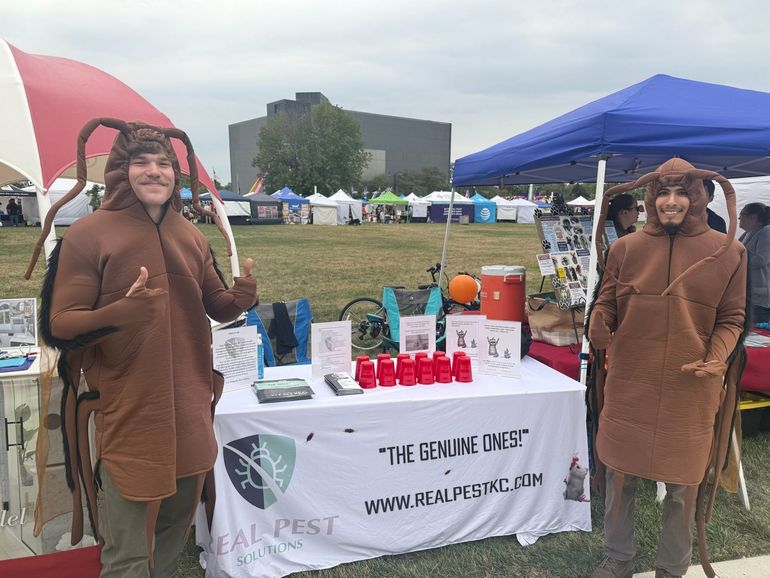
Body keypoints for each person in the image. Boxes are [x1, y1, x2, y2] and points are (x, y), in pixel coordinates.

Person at [38, 120, 257, 577]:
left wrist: (241, 298)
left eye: (163, 163)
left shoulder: (190, 235)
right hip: (131, 409)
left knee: (174, 530)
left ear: (176, 174)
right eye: (141, 162)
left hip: (192, 405)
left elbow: (216, 305)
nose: (154, 171)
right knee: (127, 547)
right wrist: (118, 313)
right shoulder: (89, 234)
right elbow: (59, 324)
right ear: (120, 170)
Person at [588, 158, 747, 578]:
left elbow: (733, 317)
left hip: (689, 385)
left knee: (683, 485)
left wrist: (716, 356)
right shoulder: (625, 248)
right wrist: (598, 322)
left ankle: (672, 568)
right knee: (621, 475)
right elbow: (607, 300)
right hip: (630, 380)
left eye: (681, 193)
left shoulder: (730, 251)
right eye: (662, 193)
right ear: (649, 198)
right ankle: (618, 558)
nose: (671, 202)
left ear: (698, 198)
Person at [739, 202, 770, 323]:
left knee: (756, 330)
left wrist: (741, 256)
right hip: (748, 291)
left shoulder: (766, 232)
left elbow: (762, 260)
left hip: (759, 293)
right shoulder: (748, 233)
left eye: (741, 216)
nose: (739, 220)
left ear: (752, 217)